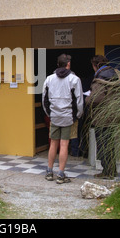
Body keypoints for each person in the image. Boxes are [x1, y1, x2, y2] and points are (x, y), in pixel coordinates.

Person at [42, 54, 84, 184]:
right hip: (68, 117)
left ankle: (49, 172)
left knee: (53, 143)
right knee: (64, 144)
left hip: (54, 116)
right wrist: (77, 116)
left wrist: (49, 114)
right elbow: (79, 101)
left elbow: (44, 99)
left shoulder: (49, 79)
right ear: (69, 64)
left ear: (57, 64)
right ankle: (60, 174)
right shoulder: (74, 79)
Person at [85, 55, 120, 180]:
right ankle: (113, 170)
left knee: (103, 145)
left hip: (103, 118)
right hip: (114, 115)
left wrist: (87, 99)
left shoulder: (100, 78)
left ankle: (107, 172)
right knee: (110, 144)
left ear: (96, 65)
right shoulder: (114, 75)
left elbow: (97, 98)